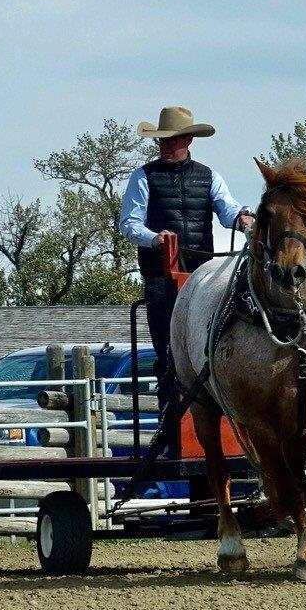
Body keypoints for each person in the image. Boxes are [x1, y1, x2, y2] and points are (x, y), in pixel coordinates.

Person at [118, 106, 255, 448]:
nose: (167, 145)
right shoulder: (143, 177)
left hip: (204, 278)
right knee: (168, 356)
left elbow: (227, 209)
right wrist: (154, 238)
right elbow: (129, 224)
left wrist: (244, 218)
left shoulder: (208, 176)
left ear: (189, 139)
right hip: (163, 280)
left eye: (174, 139)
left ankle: (227, 429)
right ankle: (172, 430)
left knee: (218, 348)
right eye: (163, 139)